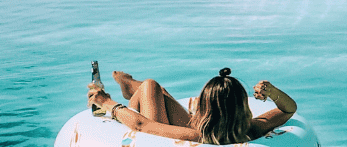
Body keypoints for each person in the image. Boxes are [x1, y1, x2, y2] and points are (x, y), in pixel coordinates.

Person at [86, 67, 297, 144]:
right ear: (242, 106)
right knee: (154, 88)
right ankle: (129, 85)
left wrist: (106, 102)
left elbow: (141, 125)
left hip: (169, 134)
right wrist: (272, 92)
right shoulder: (251, 128)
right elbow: (289, 109)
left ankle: (130, 87)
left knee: (150, 86)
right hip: (203, 124)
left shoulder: (196, 136)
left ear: (205, 107)